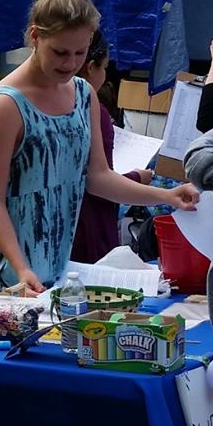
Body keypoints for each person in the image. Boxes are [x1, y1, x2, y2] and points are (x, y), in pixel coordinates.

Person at [0, 0, 198, 298]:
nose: (70, 63)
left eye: (80, 53)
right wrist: (23, 269)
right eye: (61, 52)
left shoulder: (83, 95)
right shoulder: (4, 107)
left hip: (52, 260)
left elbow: (98, 177)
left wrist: (165, 196)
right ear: (35, 36)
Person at [70, 34, 155, 264]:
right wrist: (139, 178)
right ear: (90, 68)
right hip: (89, 226)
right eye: (105, 67)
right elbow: (97, 181)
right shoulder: (93, 110)